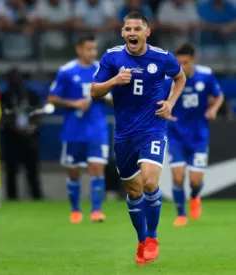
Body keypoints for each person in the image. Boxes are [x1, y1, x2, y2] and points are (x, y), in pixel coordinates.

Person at [90, 12, 186, 265]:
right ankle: (142, 240)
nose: (132, 33)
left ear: (147, 32)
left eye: (137, 29)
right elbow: (94, 92)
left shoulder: (162, 58)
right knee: (133, 191)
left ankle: (152, 238)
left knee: (150, 182)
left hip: (153, 128)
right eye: (128, 29)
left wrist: (171, 103)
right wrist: (114, 80)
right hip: (124, 135)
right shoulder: (112, 57)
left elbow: (180, 77)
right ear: (122, 32)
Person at [47, 35, 111, 224]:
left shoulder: (103, 70)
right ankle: (75, 210)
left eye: (94, 49)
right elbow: (52, 98)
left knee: (97, 168)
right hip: (73, 129)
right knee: (74, 171)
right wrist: (73, 103)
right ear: (79, 50)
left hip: (97, 128)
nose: (92, 53)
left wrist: (106, 97)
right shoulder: (66, 71)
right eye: (88, 49)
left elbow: (115, 99)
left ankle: (96, 211)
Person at [165, 44, 224, 227]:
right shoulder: (169, 78)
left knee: (195, 180)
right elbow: (158, 100)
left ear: (194, 60)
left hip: (198, 135)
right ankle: (181, 214)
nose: (182, 67)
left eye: (186, 62)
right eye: (179, 63)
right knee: (177, 177)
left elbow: (219, 95)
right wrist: (165, 110)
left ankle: (195, 195)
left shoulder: (205, 75)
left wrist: (214, 108)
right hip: (175, 134)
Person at [0, 69, 43, 200]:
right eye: (12, 78)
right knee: (11, 170)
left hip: (30, 138)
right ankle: (12, 197)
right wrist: (16, 128)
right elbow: (3, 115)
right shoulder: (5, 96)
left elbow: (38, 112)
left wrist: (32, 126)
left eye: (17, 78)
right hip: (12, 137)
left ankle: (37, 197)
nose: (15, 81)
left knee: (32, 170)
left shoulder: (31, 95)